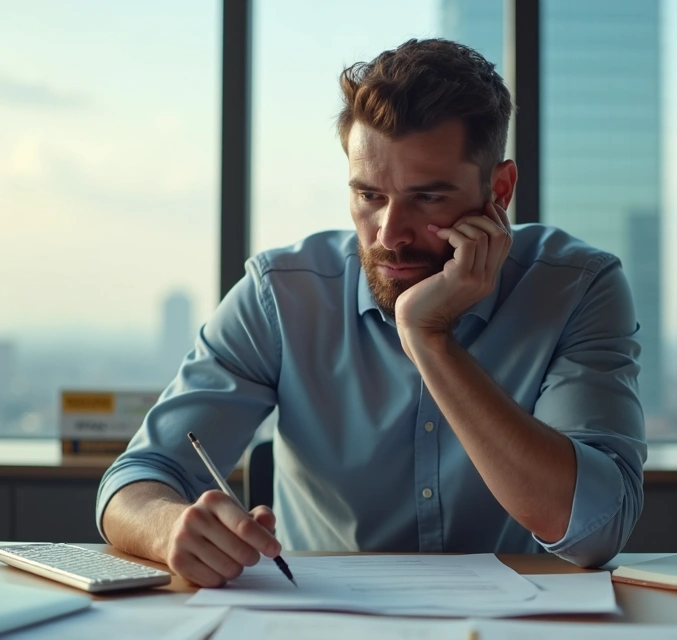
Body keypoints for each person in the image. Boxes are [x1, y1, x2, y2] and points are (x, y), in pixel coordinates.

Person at [97, 38, 646, 588]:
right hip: (319, 616)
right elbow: (137, 479)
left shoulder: (575, 287)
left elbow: (594, 531)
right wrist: (171, 530)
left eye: (427, 198)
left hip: (520, 621)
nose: (389, 235)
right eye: (369, 196)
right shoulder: (282, 294)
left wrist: (428, 338)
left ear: (498, 190)